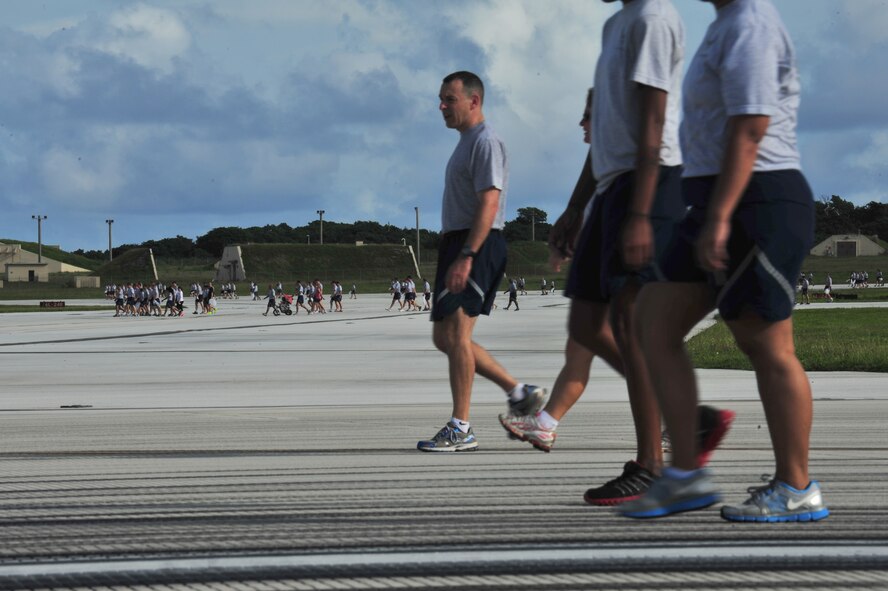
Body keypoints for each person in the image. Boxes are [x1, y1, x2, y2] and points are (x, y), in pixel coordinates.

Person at [500, 2, 732, 506]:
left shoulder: (653, 18)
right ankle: (689, 418)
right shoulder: (617, 24)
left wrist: (642, 211)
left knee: (632, 327)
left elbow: (654, 117)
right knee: (587, 325)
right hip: (611, 186)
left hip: (649, 182)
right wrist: (575, 206)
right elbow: (606, 129)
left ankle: (651, 466)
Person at [622, 0, 829, 522]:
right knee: (651, 319)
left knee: (766, 343)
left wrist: (720, 217)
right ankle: (686, 475)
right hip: (714, 200)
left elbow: (752, 126)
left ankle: (796, 487)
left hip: (758, 200)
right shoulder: (725, 24)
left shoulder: (750, 24)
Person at [417, 70, 546, 452]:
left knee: (458, 335)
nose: (442, 106)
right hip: (457, 242)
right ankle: (519, 393)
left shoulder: (486, 141)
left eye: (449, 99)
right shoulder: (466, 142)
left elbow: (490, 201)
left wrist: (468, 255)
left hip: (477, 242)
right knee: (444, 337)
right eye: (441, 99)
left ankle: (461, 427)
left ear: (473, 101)